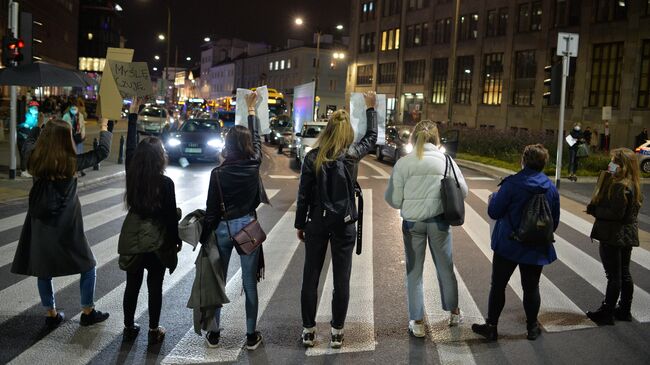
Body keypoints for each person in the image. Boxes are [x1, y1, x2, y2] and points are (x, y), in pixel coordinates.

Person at [11, 117, 113, 329]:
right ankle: (87, 311)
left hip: (41, 224)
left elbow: (27, 142)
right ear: (66, 140)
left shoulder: (33, 158)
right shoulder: (71, 162)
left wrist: (40, 127)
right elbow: (102, 152)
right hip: (68, 225)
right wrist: (104, 128)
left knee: (44, 269)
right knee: (88, 265)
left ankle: (51, 313)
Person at [296, 92, 377, 349]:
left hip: (317, 222)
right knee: (342, 278)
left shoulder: (312, 156)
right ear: (346, 132)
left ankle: (309, 330)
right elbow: (372, 138)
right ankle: (336, 332)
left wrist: (301, 224)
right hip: (344, 222)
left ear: (328, 129)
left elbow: (303, 194)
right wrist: (371, 108)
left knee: (311, 275)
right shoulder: (351, 155)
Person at [385, 120, 468, 338]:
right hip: (440, 221)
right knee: (445, 268)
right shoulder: (446, 161)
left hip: (413, 224)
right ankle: (454, 312)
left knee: (414, 272)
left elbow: (393, 199)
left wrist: (409, 201)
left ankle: (418, 321)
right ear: (436, 138)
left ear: (413, 138)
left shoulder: (404, 163)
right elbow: (463, 191)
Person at [472, 144, 560, 341]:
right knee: (531, 287)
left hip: (509, 245)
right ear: (544, 164)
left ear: (523, 160)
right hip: (536, 247)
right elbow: (554, 221)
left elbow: (494, 212)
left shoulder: (512, 184)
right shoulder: (551, 188)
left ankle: (492, 327)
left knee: (499, 285)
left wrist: (495, 197)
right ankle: (532, 328)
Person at [201, 91, 268, 350]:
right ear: (248, 145)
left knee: (217, 282)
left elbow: (210, 212)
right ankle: (251, 336)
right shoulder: (254, 164)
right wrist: (252, 112)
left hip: (222, 229)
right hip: (247, 227)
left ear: (227, 145)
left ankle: (215, 334)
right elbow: (259, 142)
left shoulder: (218, 173)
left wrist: (204, 238)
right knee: (250, 284)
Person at [118, 99, 182, 342]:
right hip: (156, 241)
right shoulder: (165, 183)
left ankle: (128, 327)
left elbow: (130, 150)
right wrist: (175, 242)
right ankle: (154, 330)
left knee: (131, 285)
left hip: (133, 236)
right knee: (155, 287)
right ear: (159, 158)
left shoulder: (132, 176)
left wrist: (133, 116)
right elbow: (169, 218)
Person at [586, 148, 643, 325]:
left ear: (622, 165)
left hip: (613, 235)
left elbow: (616, 213)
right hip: (626, 234)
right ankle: (624, 310)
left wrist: (595, 210)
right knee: (624, 273)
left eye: (613, 161)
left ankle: (607, 312)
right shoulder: (632, 183)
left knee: (614, 276)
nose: (610, 164)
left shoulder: (620, 186)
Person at [17, 101, 41, 178]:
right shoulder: (25, 116)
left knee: (28, 154)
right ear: (29, 108)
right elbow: (19, 125)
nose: (35, 109)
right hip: (23, 137)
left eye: (36, 108)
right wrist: (24, 125)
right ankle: (23, 171)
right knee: (24, 154)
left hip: (30, 138)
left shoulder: (36, 117)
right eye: (33, 108)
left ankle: (26, 169)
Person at [62, 104, 87, 177]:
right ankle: (72, 170)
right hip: (69, 137)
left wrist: (83, 135)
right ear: (70, 109)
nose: (74, 110)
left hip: (78, 137)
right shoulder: (66, 116)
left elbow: (82, 126)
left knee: (79, 154)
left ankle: (81, 169)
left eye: (75, 108)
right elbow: (63, 126)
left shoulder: (80, 115)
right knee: (71, 154)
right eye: (72, 108)